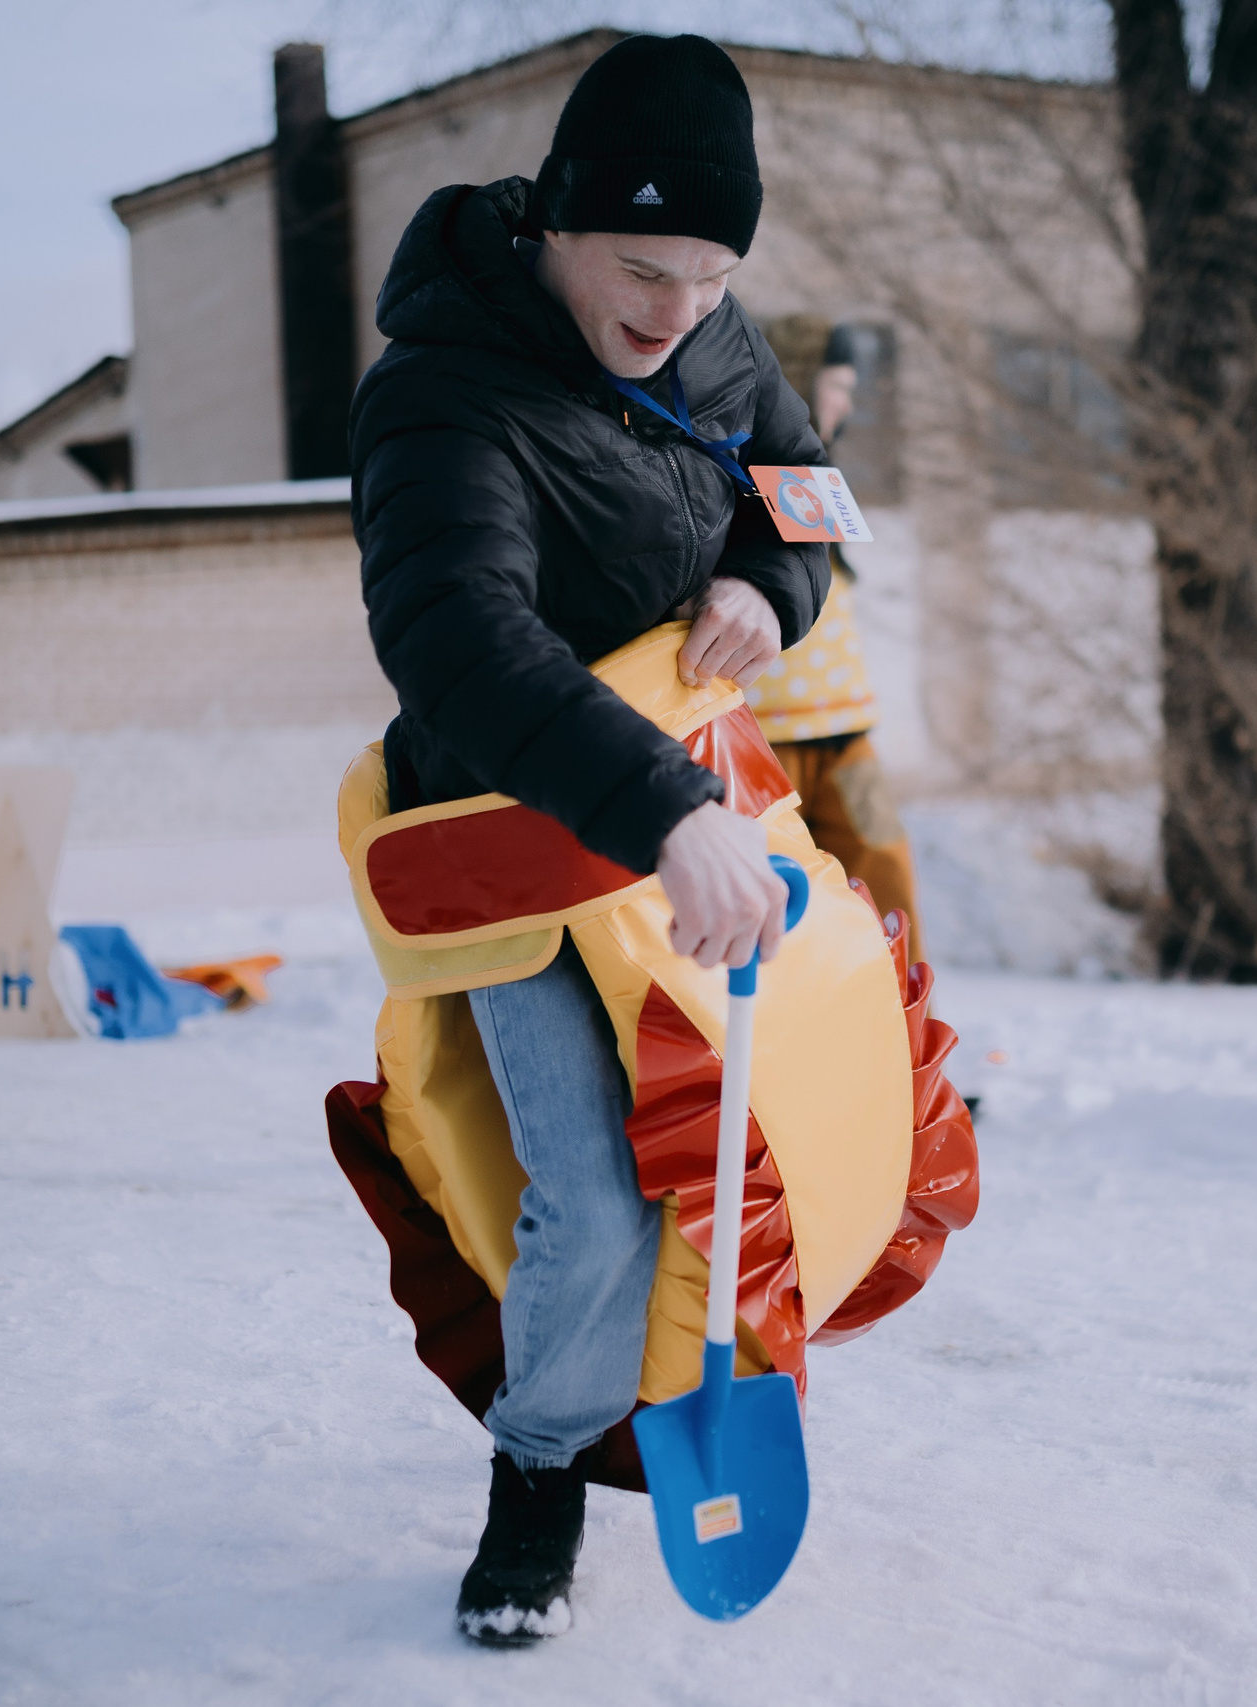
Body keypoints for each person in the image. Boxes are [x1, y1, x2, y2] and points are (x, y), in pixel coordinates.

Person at [350, 36, 827, 1644]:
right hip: (517, 834)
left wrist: (775, 581)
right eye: (642, 268)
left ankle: (717, 1373)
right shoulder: (439, 385)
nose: (677, 307)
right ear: (558, 220)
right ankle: (538, 1467)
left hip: (696, 804)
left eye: (708, 275)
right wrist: (660, 811)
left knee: (758, 1128)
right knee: (603, 1182)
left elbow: (805, 483)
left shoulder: (713, 337)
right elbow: (459, 636)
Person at [743, 316, 927, 962]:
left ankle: (905, 1035)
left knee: (885, 870)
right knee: (780, 901)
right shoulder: (732, 461)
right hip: (762, 740)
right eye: (837, 385)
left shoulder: (814, 470)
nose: (848, 403)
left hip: (846, 734)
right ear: (796, 382)